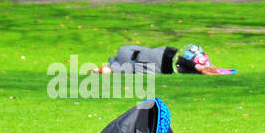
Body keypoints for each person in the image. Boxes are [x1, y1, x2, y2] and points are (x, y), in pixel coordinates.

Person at [100, 44, 234, 75]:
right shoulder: (123, 50)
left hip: (155, 63)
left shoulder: (123, 56)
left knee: (175, 65)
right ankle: (199, 68)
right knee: (174, 62)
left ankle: (199, 68)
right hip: (160, 58)